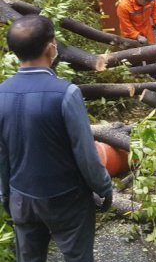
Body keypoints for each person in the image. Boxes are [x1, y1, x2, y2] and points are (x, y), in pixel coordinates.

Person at [0, 15, 112, 262]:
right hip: (66, 198)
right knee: (77, 256)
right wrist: (103, 187)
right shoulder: (66, 93)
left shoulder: (1, 93)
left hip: (21, 197)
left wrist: (5, 194)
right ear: (51, 47)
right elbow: (85, 153)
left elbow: (2, 154)